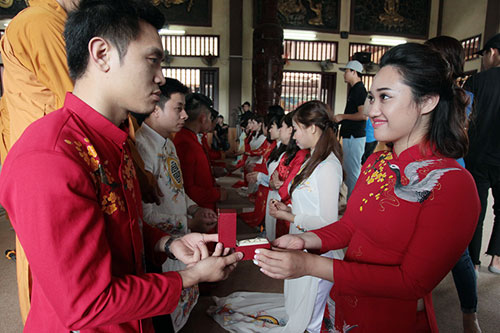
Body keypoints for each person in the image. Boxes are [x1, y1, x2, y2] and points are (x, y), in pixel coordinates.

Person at [0, 1, 241, 332]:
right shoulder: (51, 156)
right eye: (152, 60)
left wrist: (166, 243)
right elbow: (85, 304)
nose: (161, 78)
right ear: (101, 54)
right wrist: (189, 277)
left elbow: (117, 228)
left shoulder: (113, 143)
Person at [254, 43, 480, 332]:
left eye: (385, 97)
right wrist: (305, 240)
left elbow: (411, 283)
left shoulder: (452, 183)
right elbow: (349, 227)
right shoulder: (377, 163)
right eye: (372, 98)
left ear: (427, 102)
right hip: (345, 304)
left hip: (390, 320)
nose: (372, 109)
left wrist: (309, 266)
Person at [0, 0, 79, 321]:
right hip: (49, 164)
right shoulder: (39, 22)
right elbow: (82, 98)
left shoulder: (54, 20)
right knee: (52, 266)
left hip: (48, 157)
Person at [135, 78, 218, 331]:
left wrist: (193, 208)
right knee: (166, 312)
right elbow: (143, 215)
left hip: (181, 236)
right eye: (178, 108)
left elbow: (177, 189)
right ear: (156, 108)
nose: (184, 115)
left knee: (184, 308)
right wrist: (188, 222)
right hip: (163, 243)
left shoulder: (168, 141)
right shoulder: (141, 147)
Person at [268, 100, 344, 333]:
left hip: (317, 247)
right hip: (300, 240)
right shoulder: (311, 159)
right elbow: (309, 206)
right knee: (298, 301)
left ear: (313, 128)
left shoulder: (328, 165)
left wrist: (289, 217)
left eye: (297, 128)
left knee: (311, 313)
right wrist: (288, 210)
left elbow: (329, 223)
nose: (294, 135)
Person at [426, 35, 481, 333]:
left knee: (457, 251)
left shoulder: (462, 98)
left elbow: (452, 142)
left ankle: (469, 314)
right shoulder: (425, 91)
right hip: (420, 174)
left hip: (447, 177)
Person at [463, 33, 500, 275]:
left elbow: (462, 117)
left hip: (477, 155)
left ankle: (473, 263)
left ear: (493, 52)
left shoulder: (476, 81)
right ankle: (496, 261)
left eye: (484, 54)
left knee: (477, 208)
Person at [174, 93, 228, 210]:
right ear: (203, 118)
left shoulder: (191, 138)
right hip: (199, 212)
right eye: (209, 118)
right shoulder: (185, 143)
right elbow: (187, 189)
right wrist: (216, 194)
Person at [335, 60, 368, 199]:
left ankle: (353, 205)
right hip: (350, 136)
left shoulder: (360, 89)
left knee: (353, 172)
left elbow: (363, 115)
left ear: (354, 72)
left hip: (355, 136)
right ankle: (351, 202)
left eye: (347, 71)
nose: (344, 74)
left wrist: (343, 116)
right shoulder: (354, 89)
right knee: (349, 171)